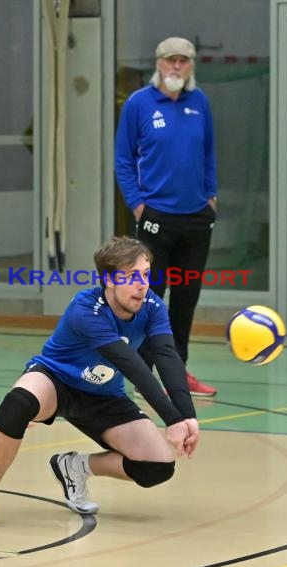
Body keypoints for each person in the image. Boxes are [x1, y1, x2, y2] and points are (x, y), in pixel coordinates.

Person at [0, 236, 199, 530]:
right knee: (17, 404)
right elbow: (132, 366)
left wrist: (186, 415)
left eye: (145, 274)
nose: (142, 283)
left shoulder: (153, 306)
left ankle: (74, 467)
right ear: (108, 279)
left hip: (105, 395)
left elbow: (167, 356)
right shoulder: (87, 308)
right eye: (131, 276)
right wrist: (172, 419)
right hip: (56, 381)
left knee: (158, 467)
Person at [115, 36, 218, 397]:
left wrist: (211, 197)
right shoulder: (139, 104)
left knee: (186, 298)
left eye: (183, 61)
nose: (177, 66)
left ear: (190, 67)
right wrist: (138, 204)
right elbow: (124, 160)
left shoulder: (199, 102)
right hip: (155, 216)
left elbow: (208, 154)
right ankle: (143, 374)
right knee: (148, 296)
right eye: (170, 60)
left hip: (196, 218)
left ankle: (179, 372)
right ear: (158, 64)